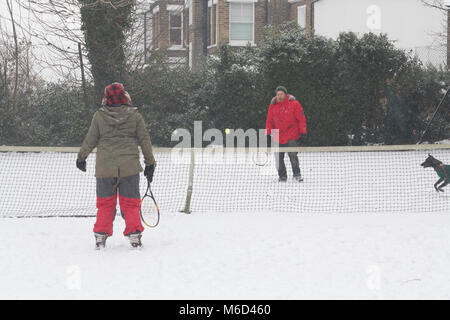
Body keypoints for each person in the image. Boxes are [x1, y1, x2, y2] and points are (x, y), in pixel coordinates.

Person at [76, 83, 156, 249]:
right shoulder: (135, 116)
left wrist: (81, 157)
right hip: (129, 168)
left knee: (105, 204)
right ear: (125, 97)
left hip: (105, 168)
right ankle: (134, 235)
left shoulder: (99, 116)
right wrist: (150, 163)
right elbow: (145, 140)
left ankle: (100, 236)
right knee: (131, 203)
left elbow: (90, 138)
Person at [265, 86, 307, 182]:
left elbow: (301, 120)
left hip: (292, 134)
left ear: (285, 94)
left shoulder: (294, 104)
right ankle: (282, 176)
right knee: (278, 157)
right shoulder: (272, 105)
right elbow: (269, 121)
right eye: (278, 94)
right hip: (277, 135)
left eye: (281, 94)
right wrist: (267, 134)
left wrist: (303, 133)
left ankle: (297, 174)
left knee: (292, 154)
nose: (279, 96)